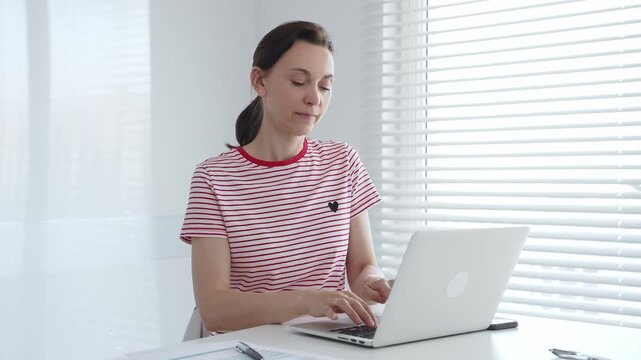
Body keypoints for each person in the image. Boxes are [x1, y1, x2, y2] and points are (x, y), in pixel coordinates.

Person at [179, 20, 392, 335]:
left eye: (324, 85)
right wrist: (304, 301)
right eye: (298, 82)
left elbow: (361, 267)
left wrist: (373, 284)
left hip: (329, 343)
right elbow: (215, 309)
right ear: (259, 81)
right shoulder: (213, 179)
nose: (314, 98)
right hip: (248, 348)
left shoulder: (342, 161)